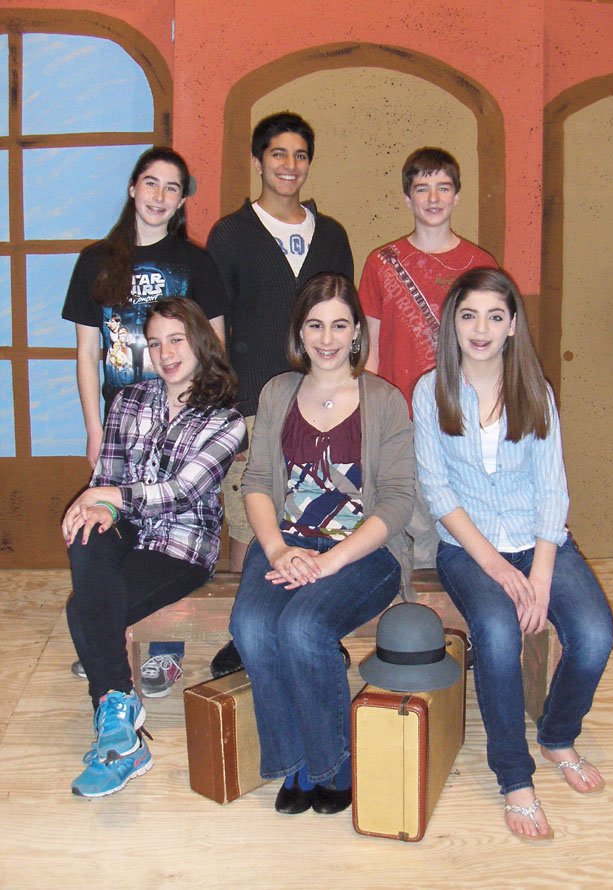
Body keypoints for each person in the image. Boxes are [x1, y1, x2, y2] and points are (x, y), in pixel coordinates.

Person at [412, 267, 613, 840]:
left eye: (495, 316)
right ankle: (513, 776)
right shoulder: (432, 392)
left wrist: (542, 573)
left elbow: (553, 488)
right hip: (469, 550)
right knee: (499, 636)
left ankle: (557, 735)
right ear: (453, 321)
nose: (481, 328)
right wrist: (498, 568)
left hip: (540, 539)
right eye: (469, 315)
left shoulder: (535, 390)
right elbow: (438, 492)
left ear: (511, 326)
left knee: (595, 634)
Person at [229, 273, 414, 815]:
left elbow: (398, 501)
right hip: (285, 542)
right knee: (251, 625)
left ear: (357, 330)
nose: (327, 338)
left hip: (364, 554)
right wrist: (279, 550)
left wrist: (332, 560)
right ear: (299, 331)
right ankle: (296, 763)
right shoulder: (276, 393)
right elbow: (258, 483)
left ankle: (333, 763)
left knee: (304, 627)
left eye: (339, 325)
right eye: (315, 325)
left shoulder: (384, 400)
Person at [63, 298, 245, 798]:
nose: (165, 353)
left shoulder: (225, 419)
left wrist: (109, 498)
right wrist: (95, 507)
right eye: (157, 342)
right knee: (87, 534)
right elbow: (108, 478)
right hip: (125, 528)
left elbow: (183, 492)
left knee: (84, 610)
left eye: (177, 340)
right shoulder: (129, 401)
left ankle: (117, 727)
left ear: (201, 344)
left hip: (181, 545)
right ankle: (122, 725)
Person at [62, 146, 225, 696]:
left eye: (171, 188)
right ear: (133, 188)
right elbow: (86, 354)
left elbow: (215, 344)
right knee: (108, 536)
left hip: (186, 418)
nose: (159, 196)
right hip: (123, 424)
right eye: (150, 183)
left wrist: (205, 402)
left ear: (181, 200)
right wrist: (94, 429)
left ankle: (148, 645)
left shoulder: (195, 263)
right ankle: (108, 642)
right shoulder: (96, 260)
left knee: (163, 532)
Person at [207, 111, 353, 677]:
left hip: (324, 403)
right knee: (252, 516)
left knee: (321, 510)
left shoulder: (332, 233)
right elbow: (215, 324)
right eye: (278, 155)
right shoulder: (232, 234)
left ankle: (312, 624)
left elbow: (344, 317)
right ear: (259, 160)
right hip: (251, 405)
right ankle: (248, 633)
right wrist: (224, 404)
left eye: (299, 156)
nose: (289, 166)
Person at [359, 147, 497, 569]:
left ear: (457, 196)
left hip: (463, 421)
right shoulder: (382, 263)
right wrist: (368, 421)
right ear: (407, 198)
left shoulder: (480, 265)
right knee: (406, 531)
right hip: (402, 424)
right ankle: (411, 629)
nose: (433, 198)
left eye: (443, 187)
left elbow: (497, 353)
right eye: (422, 189)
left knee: (462, 533)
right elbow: (371, 351)